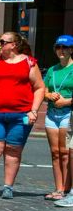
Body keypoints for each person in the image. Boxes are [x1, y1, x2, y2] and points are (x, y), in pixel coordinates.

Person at [0, 32, 45, 200]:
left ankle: (8, 187)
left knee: (13, 150)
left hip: (21, 115)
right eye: (0, 41)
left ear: (14, 45)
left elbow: (39, 87)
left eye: (3, 42)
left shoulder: (29, 62)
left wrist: (34, 110)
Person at [42, 35, 73, 201]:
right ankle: (58, 188)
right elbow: (44, 92)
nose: (61, 50)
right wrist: (49, 95)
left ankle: (67, 188)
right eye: (58, 47)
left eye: (65, 47)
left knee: (65, 152)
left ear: (71, 50)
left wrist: (66, 101)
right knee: (55, 153)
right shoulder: (52, 70)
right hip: (52, 114)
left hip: (68, 113)